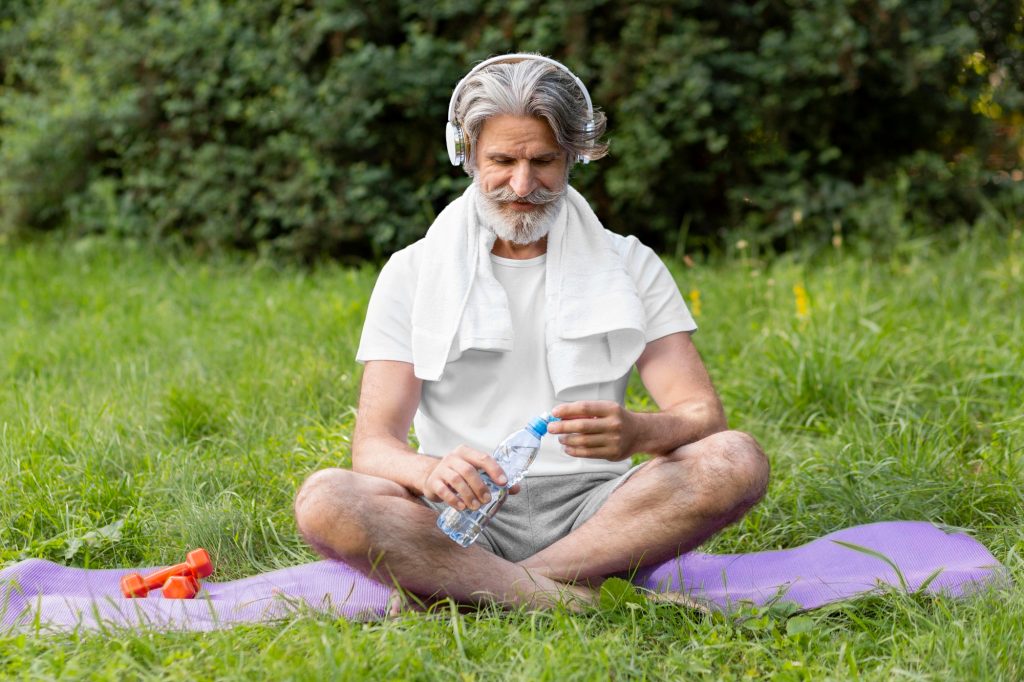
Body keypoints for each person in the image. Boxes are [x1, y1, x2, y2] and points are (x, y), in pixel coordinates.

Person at [294, 54, 769, 609]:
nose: (522, 185)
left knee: (735, 459)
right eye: (502, 160)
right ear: (465, 155)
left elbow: (702, 416)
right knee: (325, 498)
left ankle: (476, 589)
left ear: (573, 157)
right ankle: (570, 600)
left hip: (601, 515)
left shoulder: (630, 264)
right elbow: (373, 446)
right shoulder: (412, 271)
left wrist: (639, 433)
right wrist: (429, 470)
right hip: (456, 515)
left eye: (543, 161)